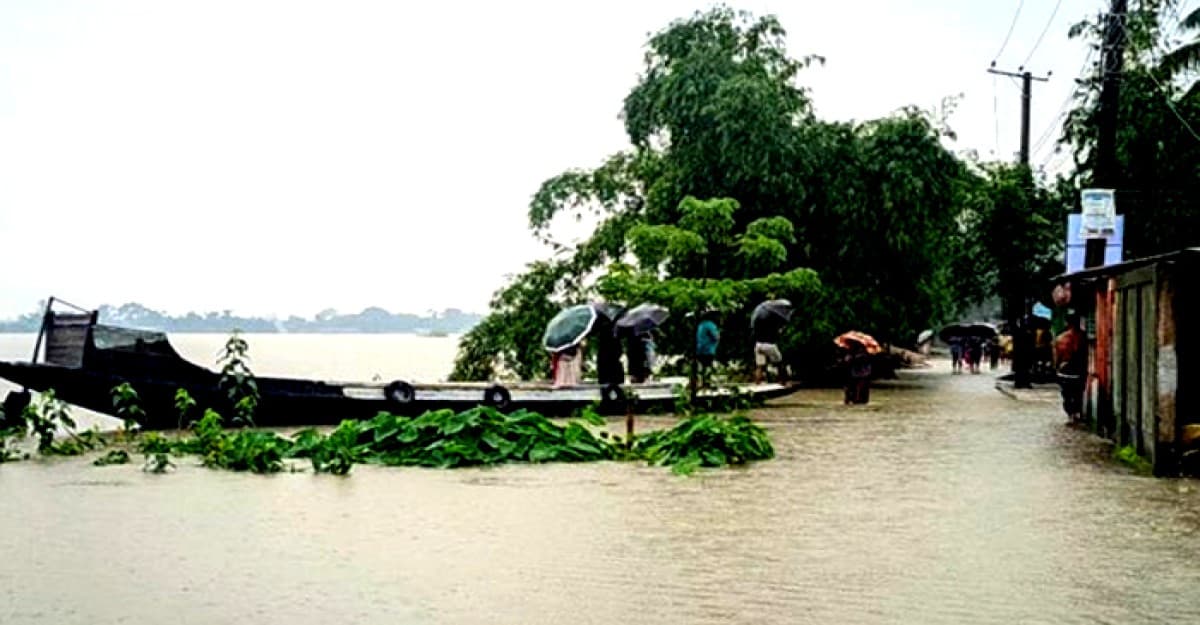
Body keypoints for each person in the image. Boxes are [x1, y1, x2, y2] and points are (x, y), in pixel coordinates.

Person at [1054, 314, 1087, 424]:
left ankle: (1071, 415)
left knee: (1067, 394)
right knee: (1078, 393)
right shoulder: (1083, 337)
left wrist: (1057, 368)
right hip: (1079, 370)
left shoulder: (1061, 338)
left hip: (1065, 370)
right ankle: (1076, 413)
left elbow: (1057, 357)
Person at [753, 314, 785, 384]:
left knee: (760, 366)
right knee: (779, 363)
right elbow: (777, 334)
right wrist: (781, 329)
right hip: (769, 345)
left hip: (758, 345)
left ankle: (757, 384)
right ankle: (782, 382)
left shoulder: (758, 324)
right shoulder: (772, 324)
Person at [695, 311, 720, 377]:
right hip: (708, 349)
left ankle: (702, 381)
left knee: (702, 367)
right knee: (708, 367)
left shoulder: (701, 325)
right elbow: (715, 337)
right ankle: (707, 382)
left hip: (700, 349)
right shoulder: (710, 325)